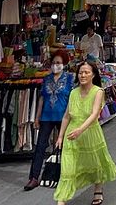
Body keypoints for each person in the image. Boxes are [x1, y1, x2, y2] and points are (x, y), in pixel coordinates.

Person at [54, 62, 116, 205]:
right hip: (72, 135)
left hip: (90, 133)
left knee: (95, 164)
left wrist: (80, 130)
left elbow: (95, 114)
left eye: (86, 72)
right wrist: (60, 137)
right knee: (67, 169)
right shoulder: (73, 92)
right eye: (80, 72)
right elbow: (66, 116)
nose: (82, 75)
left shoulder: (98, 92)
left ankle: (98, 189)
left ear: (93, 75)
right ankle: (61, 200)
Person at [24, 50, 74, 191]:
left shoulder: (69, 79)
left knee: (64, 146)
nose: (55, 66)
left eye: (58, 63)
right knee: (40, 146)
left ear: (63, 64)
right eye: (53, 63)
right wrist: (37, 117)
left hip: (63, 117)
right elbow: (42, 98)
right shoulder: (46, 79)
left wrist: (71, 116)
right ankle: (34, 177)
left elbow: (72, 98)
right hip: (47, 117)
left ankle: (65, 175)